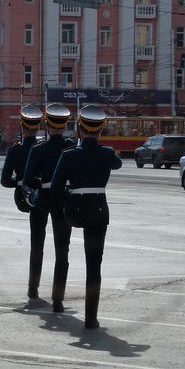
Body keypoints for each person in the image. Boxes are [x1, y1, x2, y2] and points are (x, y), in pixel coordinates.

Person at [50, 104, 122, 329]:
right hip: (99, 211)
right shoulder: (107, 153)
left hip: (75, 211)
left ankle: (57, 299)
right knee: (94, 266)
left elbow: (56, 187)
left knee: (62, 251)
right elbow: (118, 163)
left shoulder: (69, 155)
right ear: (101, 129)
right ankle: (91, 318)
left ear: (79, 128)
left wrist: (70, 195)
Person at [23, 104, 75, 312]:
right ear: (65, 125)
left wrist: (35, 190)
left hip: (42, 200)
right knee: (62, 250)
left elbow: (27, 180)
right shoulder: (71, 147)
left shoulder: (38, 149)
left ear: (46, 124)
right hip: (63, 199)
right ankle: (58, 300)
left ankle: (33, 288)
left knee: (37, 245)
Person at [0, 105, 43, 295]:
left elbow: (4, 180)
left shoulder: (14, 151)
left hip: (24, 198)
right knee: (58, 245)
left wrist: (19, 183)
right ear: (39, 125)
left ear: (21, 125)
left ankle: (32, 287)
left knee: (36, 244)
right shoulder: (43, 148)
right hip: (46, 195)